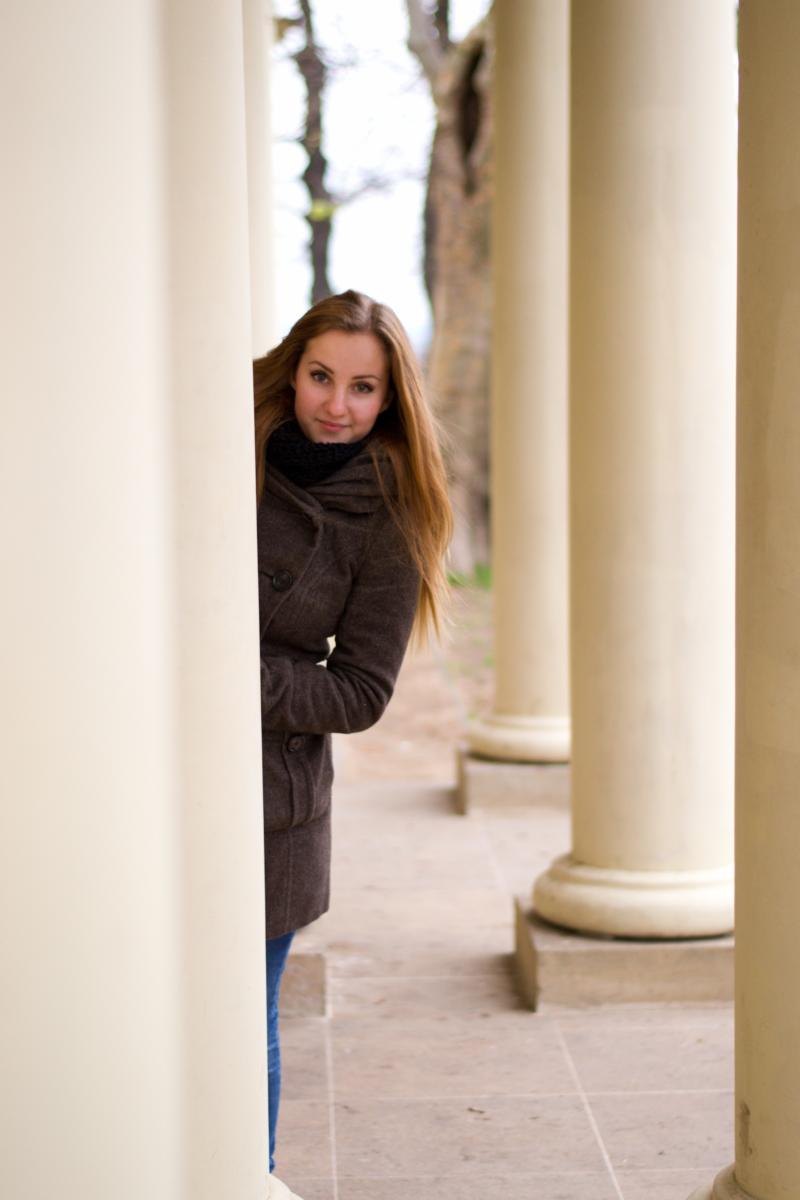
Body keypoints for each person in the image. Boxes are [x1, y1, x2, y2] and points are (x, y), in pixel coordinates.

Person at [253, 289, 452, 1174]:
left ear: (389, 399)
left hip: (272, 797)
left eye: (363, 388)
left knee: (243, 1014)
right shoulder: (224, 446)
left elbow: (362, 691)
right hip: (157, 766)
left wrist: (232, 681)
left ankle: (244, 1182)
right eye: (321, 376)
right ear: (292, 371)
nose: (336, 405)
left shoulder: (392, 513)